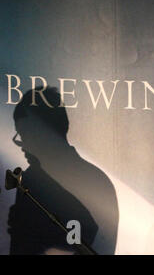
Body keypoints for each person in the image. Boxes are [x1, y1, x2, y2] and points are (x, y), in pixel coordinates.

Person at [8, 87, 119, 254]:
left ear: (45, 133)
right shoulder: (30, 179)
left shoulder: (95, 184)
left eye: (26, 135)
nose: (23, 146)